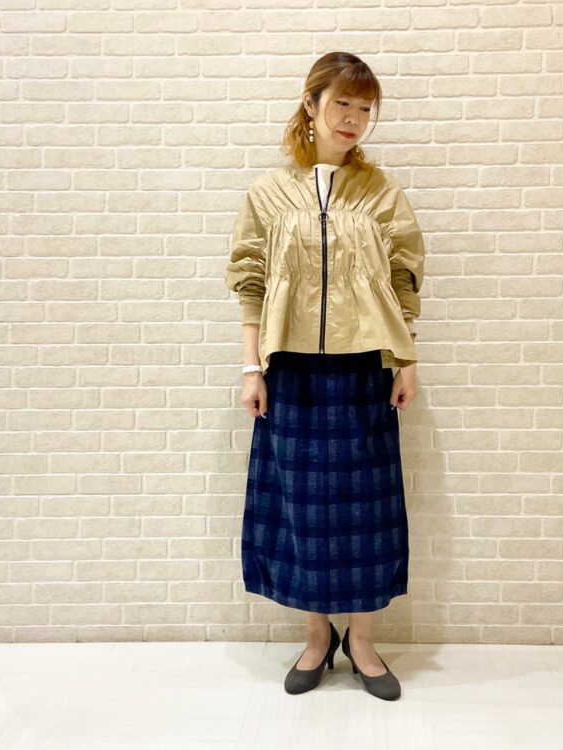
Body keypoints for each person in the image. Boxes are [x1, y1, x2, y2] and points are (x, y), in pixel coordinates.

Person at [225, 52, 425, 701]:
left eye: (365, 108)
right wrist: (252, 367)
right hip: (290, 371)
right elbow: (251, 282)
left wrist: (406, 360)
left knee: (368, 511)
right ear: (310, 104)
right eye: (342, 103)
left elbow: (404, 279)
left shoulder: (380, 191)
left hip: (365, 367)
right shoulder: (268, 193)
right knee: (301, 511)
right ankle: (317, 637)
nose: (354, 118)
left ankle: (362, 640)